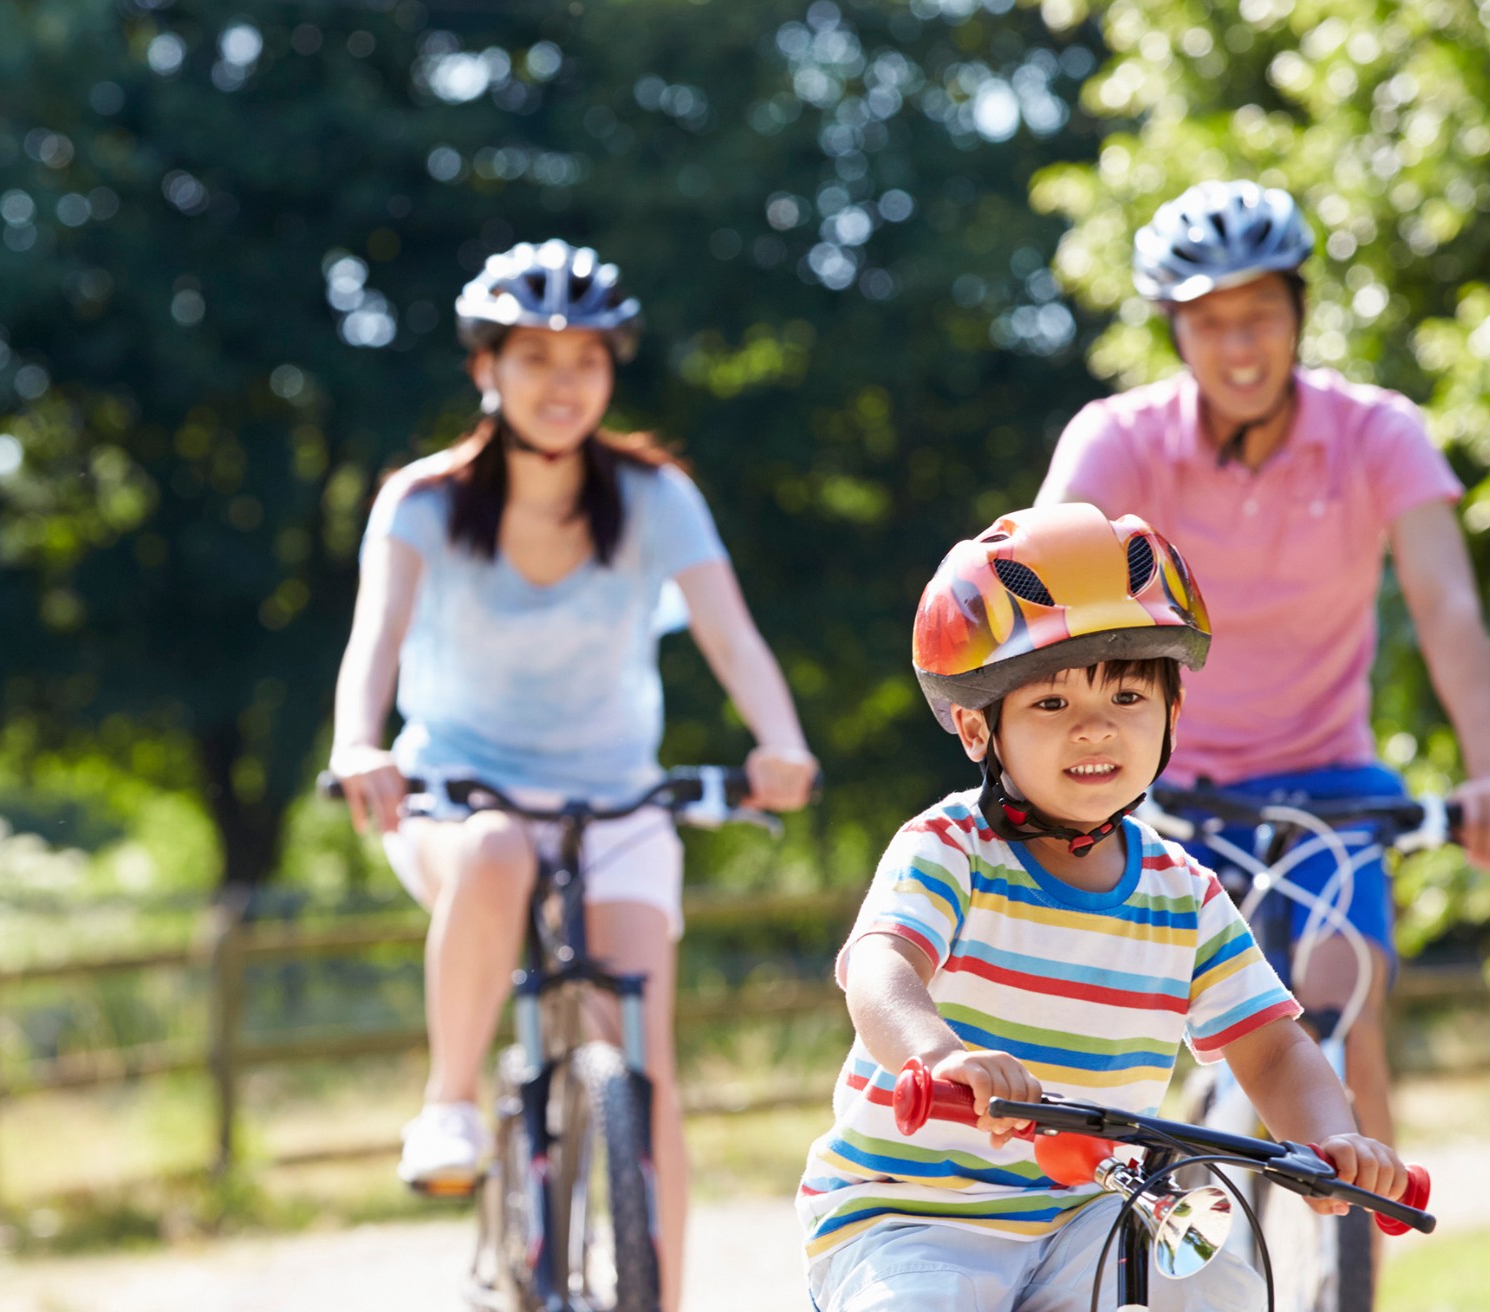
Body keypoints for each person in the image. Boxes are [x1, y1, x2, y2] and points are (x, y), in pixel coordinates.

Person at [329, 238, 818, 1312]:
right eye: (534, 357)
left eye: (586, 361)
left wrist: (778, 742)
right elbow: (373, 642)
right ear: (484, 371)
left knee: (640, 1063)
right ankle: (451, 1100)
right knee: (498, 852)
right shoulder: (421, 502)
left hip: (614, 801)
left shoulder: (654, 497)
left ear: (611, 374)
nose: (562, 383)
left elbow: (732, 639)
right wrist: (357, 746)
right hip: (456, 795)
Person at [1035, 180, 1490, 1159]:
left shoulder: (1375, 433)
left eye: (1258, 315)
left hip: (1328, 783)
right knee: (1121, 1028)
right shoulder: (1119, 440)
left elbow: (1446, 604)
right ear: (1174, 331)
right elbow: (1035, 586)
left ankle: (1347, 1262)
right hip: (1159, 787)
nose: (1238, 345)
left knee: (1338, 1005)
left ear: (1297, 313)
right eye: (1209, 321)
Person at [798, 505, 1407, 1311]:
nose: (1095, 730)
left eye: (1127, 697)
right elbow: (881, 970)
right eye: (1051, 706)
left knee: (1217, 1279)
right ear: (980, 728)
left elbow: (1271, 1048)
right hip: (911, 1215)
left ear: (1172, 719)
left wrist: (1332, 1136)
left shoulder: (1182, 890)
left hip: (1094, 1208)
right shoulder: (949, 847)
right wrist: (940, 1055)